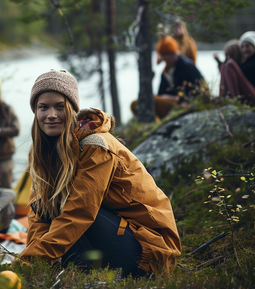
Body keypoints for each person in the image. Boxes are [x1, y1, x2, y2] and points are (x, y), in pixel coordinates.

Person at [19, 69, 181, 277]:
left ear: (71, 110)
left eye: (59, 107)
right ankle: (72, 271)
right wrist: (33, 264)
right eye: (44, 107)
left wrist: (26, 261)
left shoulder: (95, 145)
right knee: (46, 205)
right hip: (114, 234)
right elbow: (39, 214)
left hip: (148, 247)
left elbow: (80, 212)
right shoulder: (44, 152)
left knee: (64, 208)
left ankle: (115, 274)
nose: (51, 115)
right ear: (35, 111)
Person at [131, 36, 206, 120]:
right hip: (172, 103)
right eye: (164, 54)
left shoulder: (187, 67)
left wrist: (181, 100)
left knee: (152, 100)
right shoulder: (165, 71)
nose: (166, 57)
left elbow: (197, 89)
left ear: (175, 53)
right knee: (135, 104)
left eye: (169, 54)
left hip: (186, 104)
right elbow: (161, 92)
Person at [218, 40, 255, 105]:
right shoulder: (244, 65)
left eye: (228, 55)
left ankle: (236, 102)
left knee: (229, 65)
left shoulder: (235, 67)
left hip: (250, 99)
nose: (227, 58)